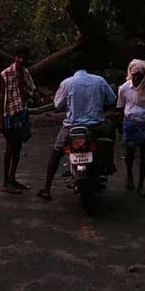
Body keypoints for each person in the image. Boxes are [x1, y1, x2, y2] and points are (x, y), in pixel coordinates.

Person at [37, 68, 116, 200]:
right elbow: (112, 100)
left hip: (71, 128)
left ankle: (46, 188)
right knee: (109, 137)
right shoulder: (100, 81)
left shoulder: (67, 83)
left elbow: (57, 104)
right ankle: (109, 164)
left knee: (56, 151)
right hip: (95, 127)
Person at [117, 59, 145, 198]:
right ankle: (129, 176)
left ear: (144, 74)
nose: (136, 77)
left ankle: (141, 184)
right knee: (130, 153)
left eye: (139, 75)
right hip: (130, 123)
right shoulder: (124, 88)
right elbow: (120, 107)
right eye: (133, 74)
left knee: (144, 155)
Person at [0, 45, 38, 194]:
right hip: (9, 114)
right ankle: (5, 182)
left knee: (18, 147)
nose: (21, 60)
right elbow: (2, 97)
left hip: (21, 113)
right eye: (19, 57)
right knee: (10, 147)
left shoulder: (25, 72)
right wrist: (0, 119)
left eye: (24, 57)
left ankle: (12, 178)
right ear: (15, 57)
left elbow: (30, 90)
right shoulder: (6, 74)